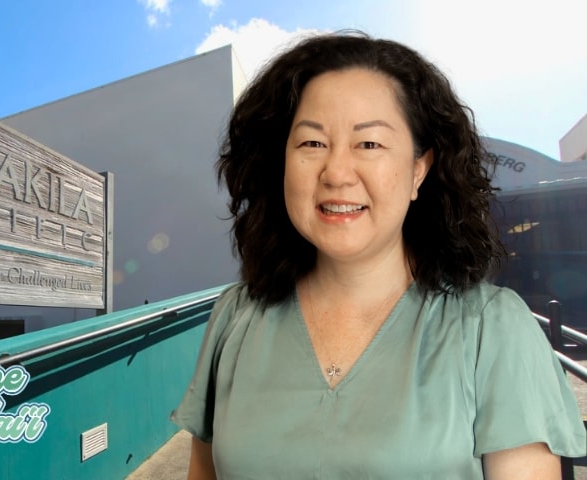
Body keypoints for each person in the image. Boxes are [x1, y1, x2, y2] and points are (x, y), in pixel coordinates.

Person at [171, 31, 586, 479]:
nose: (337, 172)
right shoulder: (235, 317)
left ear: (418, 170)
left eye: (369, 144)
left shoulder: (493, 329)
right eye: (312, 143)